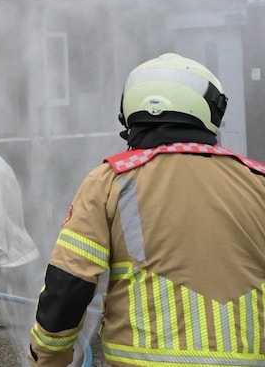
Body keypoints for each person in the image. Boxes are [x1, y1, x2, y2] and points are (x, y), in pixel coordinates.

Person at [28, 53, 265, 366]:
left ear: (130, 113)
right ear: (211, 111)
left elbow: (69, 284)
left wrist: (47, 358)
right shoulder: (258, 182)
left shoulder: (111, 181)